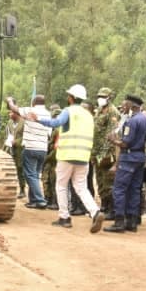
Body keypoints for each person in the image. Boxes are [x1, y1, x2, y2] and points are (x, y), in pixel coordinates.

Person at [33, 85, 104, 231]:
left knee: (61, 186)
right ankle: (95, 212)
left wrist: (38, 119)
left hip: (66, 155)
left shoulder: (68, 111)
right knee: (81, 187)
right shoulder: (89, 116)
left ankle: (64, 217)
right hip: (83, 157)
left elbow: (56, 123)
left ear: (71, 98)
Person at [105, 95, 146, 233]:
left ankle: (119, 221)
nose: (124, 107)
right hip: (140, 157)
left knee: (119, 189)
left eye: (126, 104)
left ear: (132, 105)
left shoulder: (132, 121)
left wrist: (113, 140)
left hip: (129, 157)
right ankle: (132, 221)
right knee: (134, 189)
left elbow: (125, 142)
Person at [8, 95, 50, 208]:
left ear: (34, 102)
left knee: (30, 175)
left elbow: (14, 109)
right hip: (43, 149)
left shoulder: (31, 110)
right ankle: (33, 201)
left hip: (31, 147)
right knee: (35, 175)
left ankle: (40, 200)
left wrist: (10, 101)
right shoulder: (48, 113)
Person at [91, 88, 119, 217]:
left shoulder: (112, 112)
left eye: (103, 96)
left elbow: (111, 135)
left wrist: (102, 155)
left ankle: (111, 209)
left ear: (109, 97)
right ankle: (104, 205)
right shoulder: (98, 111)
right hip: (96, 152)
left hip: (106, 154)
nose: (100, 98)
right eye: (99, 96)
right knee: (100, 181)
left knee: (108, 182)